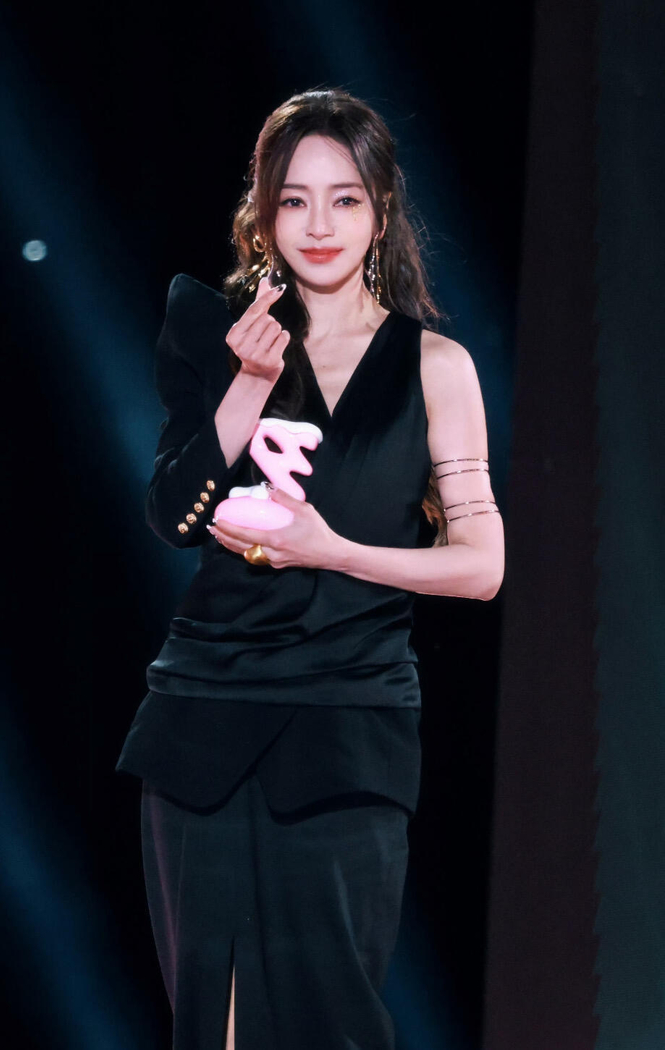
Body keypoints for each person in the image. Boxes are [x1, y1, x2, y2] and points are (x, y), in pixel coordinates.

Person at [116, 87, 504, 1050]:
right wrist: (248, 384)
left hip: (349, 717)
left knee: (332, 1018)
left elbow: (482, 565)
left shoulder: (435, 365)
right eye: (294, 200)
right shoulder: (216, 332)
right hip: (204, 713)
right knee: (215, 1022)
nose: (319, 225)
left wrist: (334, 551)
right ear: (264, 212)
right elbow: (172, 516)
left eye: (344, 199)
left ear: (381, 209)